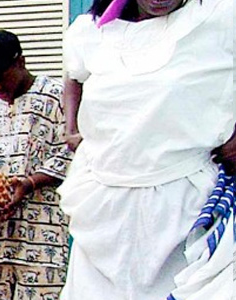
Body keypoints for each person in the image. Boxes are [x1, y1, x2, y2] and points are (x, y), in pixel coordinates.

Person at [58, 0, 236, 298]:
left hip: (184, 204)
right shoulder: (91, 32)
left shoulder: (219, 16)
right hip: (105, 209)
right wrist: (70, 128)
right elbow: (73, 74)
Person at [0, 30, 73, 300]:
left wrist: (31, 183)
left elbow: (71, 152)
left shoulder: (57, 97)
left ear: (20, 62)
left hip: (42, 231)